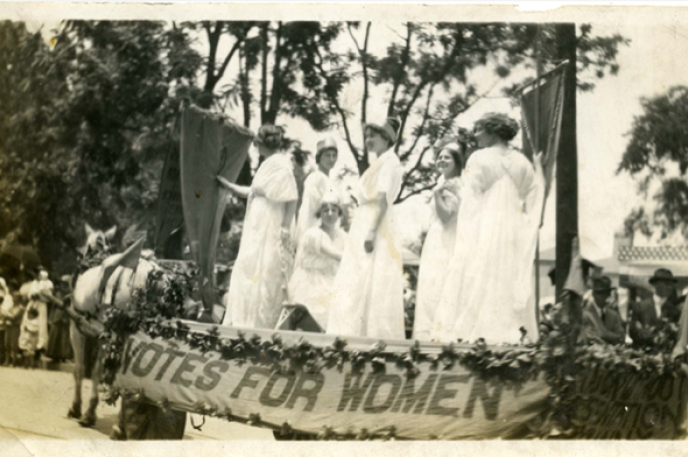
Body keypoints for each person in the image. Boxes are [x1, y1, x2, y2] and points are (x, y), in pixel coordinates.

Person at [430, 112, 544, 344]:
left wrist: (466, 237)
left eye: (479, 129)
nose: (476, 135)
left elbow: (470, 200)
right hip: (513, 229)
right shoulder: (522, 162)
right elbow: (534, 194)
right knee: (505, 275)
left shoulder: (479, 158)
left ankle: (478, 333)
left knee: (478, 272)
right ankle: (509, 334)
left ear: (492, 130)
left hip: (486, 225)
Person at [326, 118, 405, 339]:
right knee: (357, 275)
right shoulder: (381, 161)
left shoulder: (390, 161)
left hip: (376, 221)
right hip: (366, 218)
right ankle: (353, 332)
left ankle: (370, 335)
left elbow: (382, 199)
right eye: (367, 136)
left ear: (386, 138)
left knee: (372, 274)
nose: (369, 140)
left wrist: (371, 231)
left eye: (374, 136)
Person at [218, 124, 298, 329]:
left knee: (266, 269)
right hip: (257, 222)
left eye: (258, 145)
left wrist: (286, 226)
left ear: (264, 144)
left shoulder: (281, 164)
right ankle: (244, 321)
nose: (256, 148)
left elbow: (292, 198)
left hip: (271, 222)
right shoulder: (266, 164)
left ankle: (262, 324)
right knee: (249, 266)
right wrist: (227, 185)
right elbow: (253, 192)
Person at [413, 139, 466, 340]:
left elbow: (446, 217)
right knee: (430, 287)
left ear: (456, 162)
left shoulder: (456, 184)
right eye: (439, 157)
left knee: (442, 284)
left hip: (447, 239)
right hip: (435, 239)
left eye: (447, 157)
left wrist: (436, 195)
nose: (442, 160)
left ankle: (441, 335)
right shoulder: (441, 182)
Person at [288, 192, 346, 329]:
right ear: (320, 214)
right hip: (310, 280)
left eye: (334, 210)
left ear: (339, 213)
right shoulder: (313, 234)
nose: (330, 214)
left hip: (331, 279)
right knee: (323, 308)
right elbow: (336, 255)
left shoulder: (343, 236)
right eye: (326, 211)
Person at [295, 138, 338, 246]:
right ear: (319, 157)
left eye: (334, 155)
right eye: (327, 155)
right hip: (317, 234)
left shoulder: (329, 180)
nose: (331, 159)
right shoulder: (315, 178)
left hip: (331, 232)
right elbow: (308, 211)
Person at [629, 268, 685, 348]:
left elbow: (676, 335)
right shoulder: (640, 306)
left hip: (664, 357)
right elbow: (633, 332)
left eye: (671, 284)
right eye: (666, 283)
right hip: (641, 355)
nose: (670, 287)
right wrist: (653, 338)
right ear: (656, 284)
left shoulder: (674, 311)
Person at [18, 268, 51, 367]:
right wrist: (32, 296)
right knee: (27, 322)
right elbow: (28, 294)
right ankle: (24, 347)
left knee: (40, 325)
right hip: (32, 304)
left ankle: (39, 348)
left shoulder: (47, 284)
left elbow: (49, 297)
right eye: (37, 274)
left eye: (40, 274)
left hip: (41, 305)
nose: (38, 276)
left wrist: (40, 296)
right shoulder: (33, 284)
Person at [579, 276, 626, 344]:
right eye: (600, 293)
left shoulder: (613, 315)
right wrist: (612, 336)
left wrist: (604, 334)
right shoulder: (585, 314)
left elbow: (621, 337)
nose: (604, 296)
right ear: (593, 294)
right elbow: (590, 337)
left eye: (606, 293)